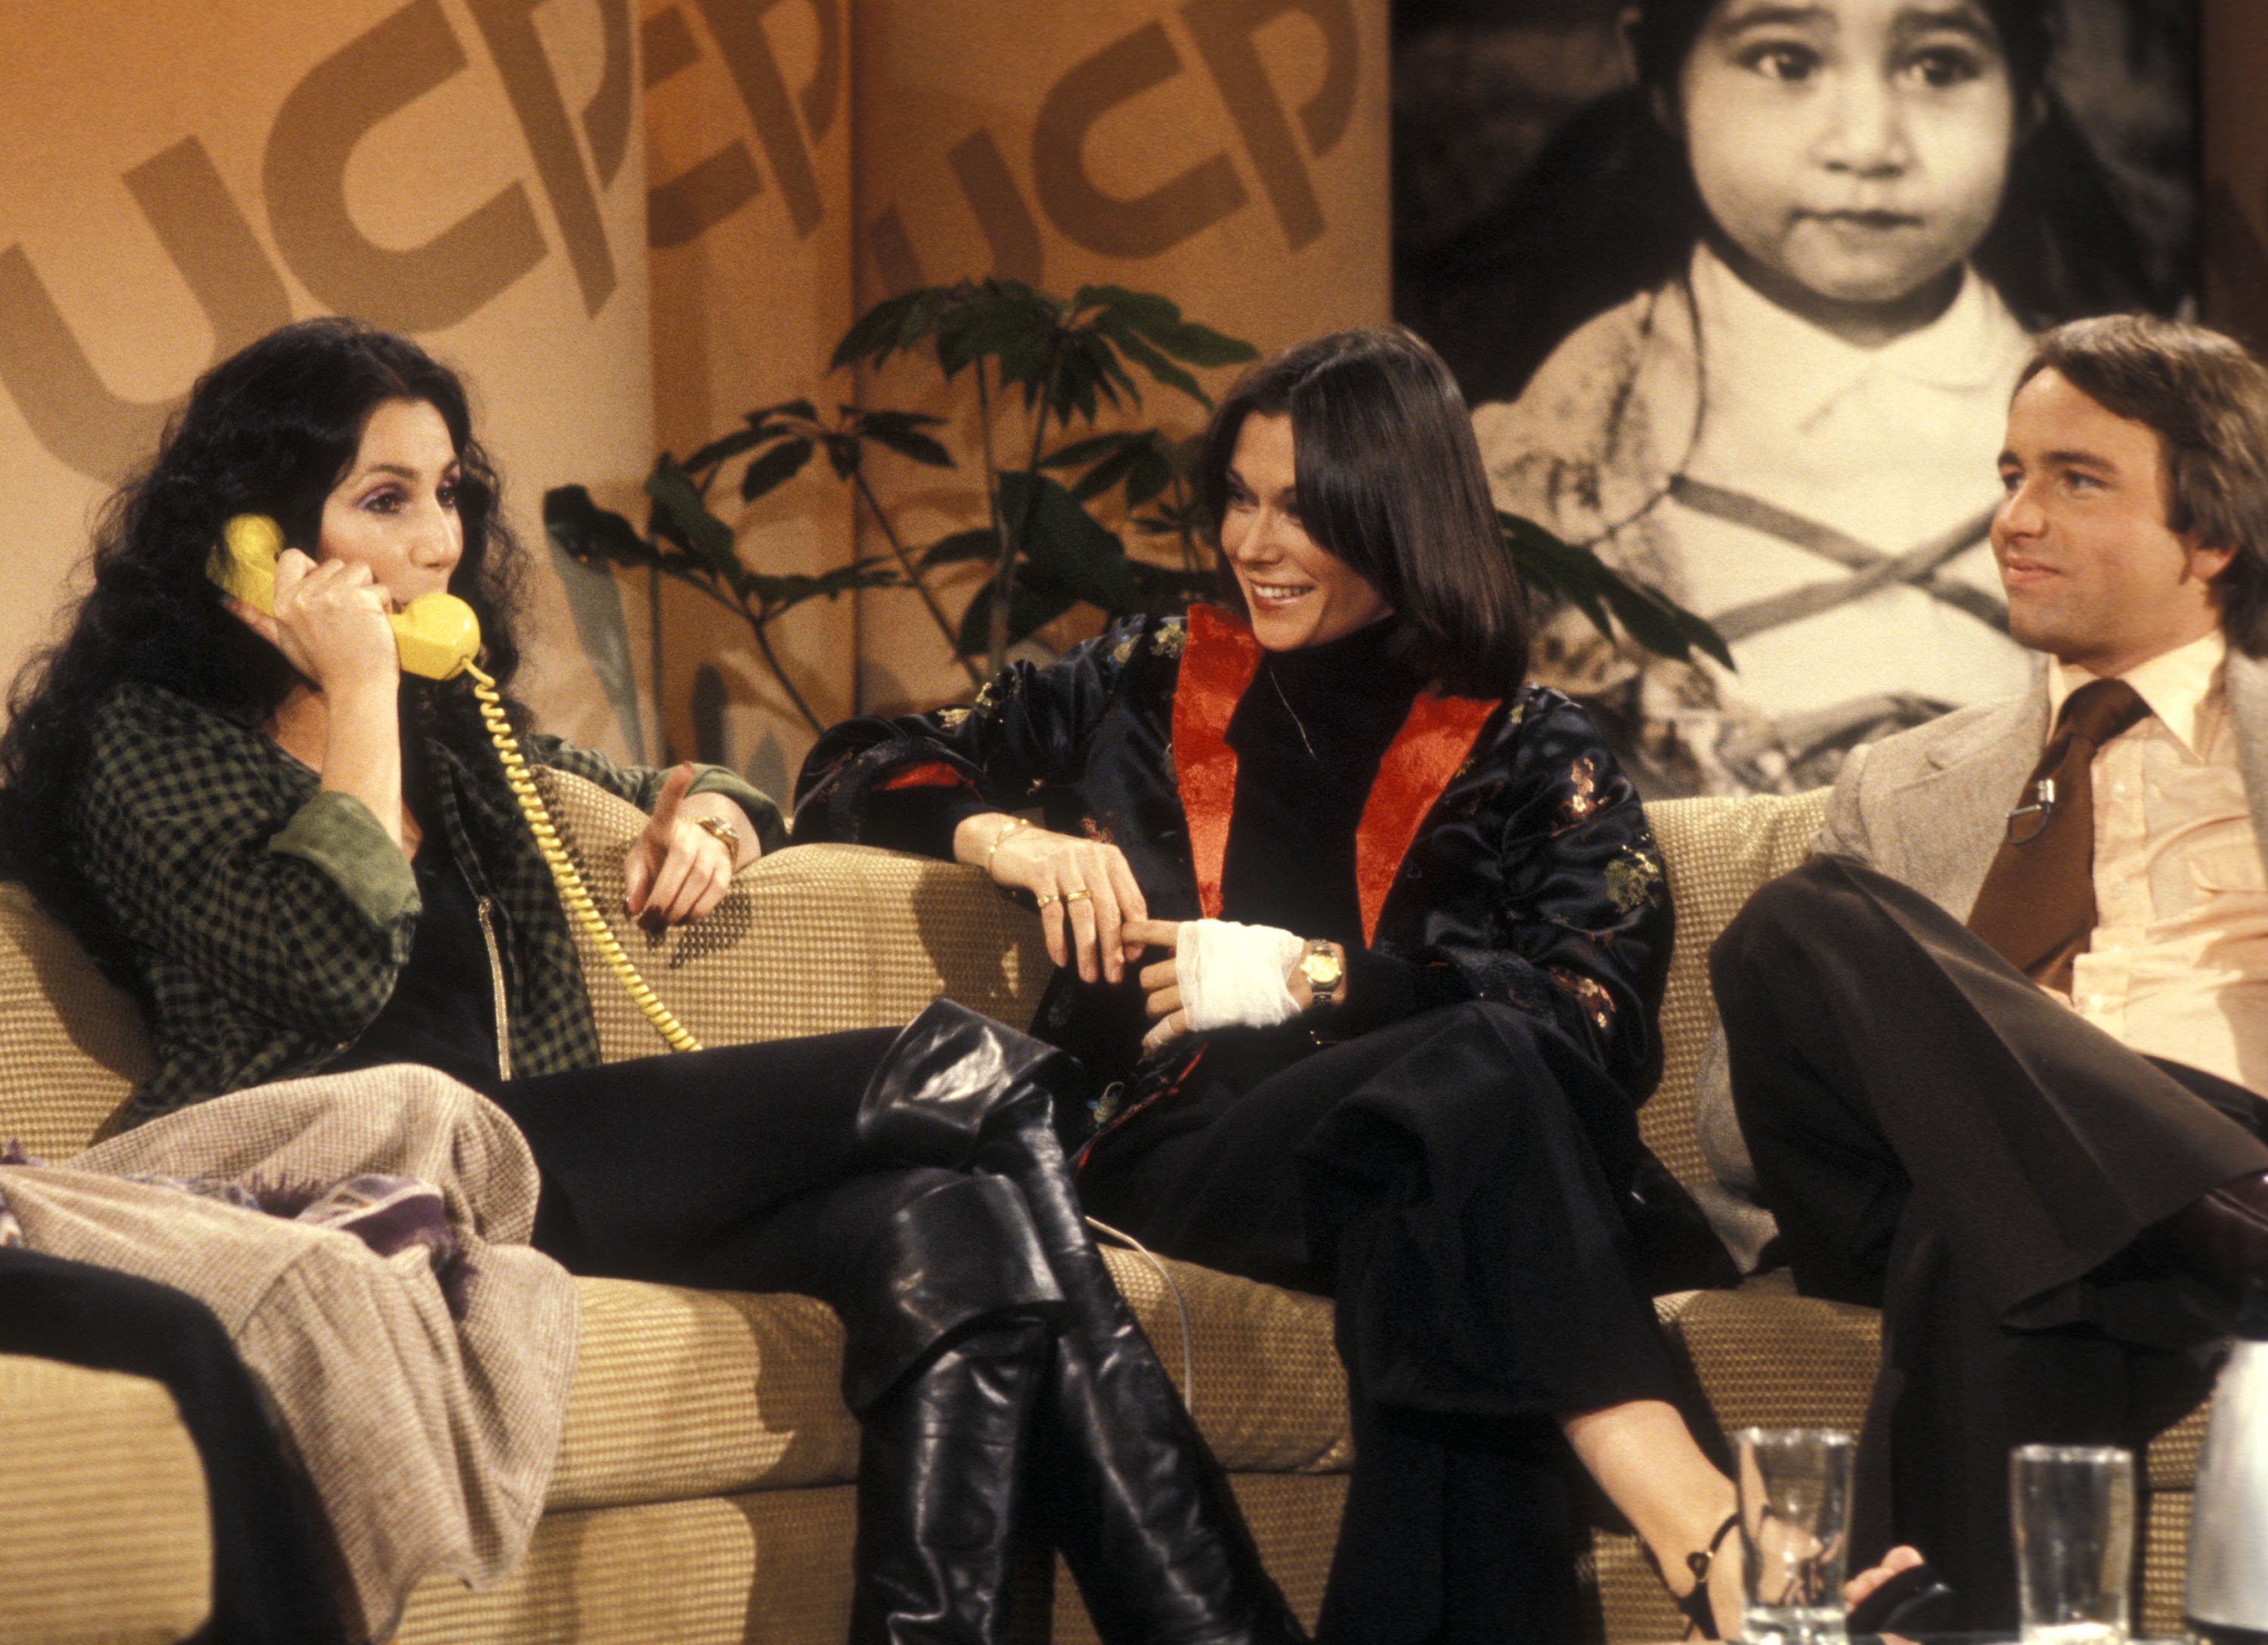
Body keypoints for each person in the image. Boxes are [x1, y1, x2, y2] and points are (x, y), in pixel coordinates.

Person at [0, 316, 1299, 1645]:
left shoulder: (465, 735)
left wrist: (714, 817)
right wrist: (361, 696)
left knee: (944, 1223)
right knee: (958, 1073)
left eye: (449, 493)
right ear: (256, 537)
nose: (440, 540)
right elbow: (330, 960)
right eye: (384, 500)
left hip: (534, 1160)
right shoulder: (145, 747)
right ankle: (1210, 1620)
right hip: (340, 1171)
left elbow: (693, 786)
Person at [795, 327, 1916, 1643]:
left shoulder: (1532, 749)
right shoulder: (1147, 677)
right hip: (1187, 1159)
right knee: (1466, 1103)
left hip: (1413, 1161)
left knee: (1429, 1203)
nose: (1256, 544)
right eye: (1242, 498)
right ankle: (1708, 1531)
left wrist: (1305, 977)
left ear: (1401, 514)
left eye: (1307, 511)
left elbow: (1587, 1021)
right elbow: (856, 763)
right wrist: (1010, 835)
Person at [1706, 313, 2268, 1628]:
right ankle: (2198, 1210)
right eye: (2009, 476)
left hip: (2135, 1162)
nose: (2016, 516)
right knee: (1804, 920)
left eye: (2076, 479)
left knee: (1994, 1231)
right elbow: (1742, 1128)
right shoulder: (1902, 783)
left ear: (2211, 534)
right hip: (1911, 1181)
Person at [1464, 0, 2177, 798]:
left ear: (2027, 96)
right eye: (1786, 62)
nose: (1868, 146)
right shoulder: (1546, 448)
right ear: (1663, 78)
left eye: (1938, 68)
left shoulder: (2152, 433)